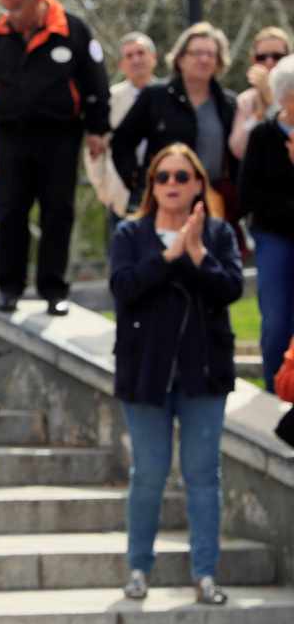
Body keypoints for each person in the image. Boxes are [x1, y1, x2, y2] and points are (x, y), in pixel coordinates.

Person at [110, 143, 241, 606]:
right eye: (163, 177)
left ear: (198, 184)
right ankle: (138, 570)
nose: (171, 185)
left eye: (182, 177)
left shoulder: (220, 234)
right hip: (145, 376)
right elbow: (123, 288)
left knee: (203, 474)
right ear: (152, 186)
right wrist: (168, 258)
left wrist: (199, 252)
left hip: (203, 374)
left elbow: (231, 289)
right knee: (148, 473)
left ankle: (205, 574)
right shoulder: (130, 234)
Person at [0, 0, 110, 315]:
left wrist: (97, 129)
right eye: (6, 8)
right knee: (10, 210)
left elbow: (96, 84)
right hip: (11, 136)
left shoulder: (72, 31)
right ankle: (9, 289)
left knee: (58, 211)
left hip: (61, 136)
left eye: (17, 7)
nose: (11, 15)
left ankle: (54, 289)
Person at [113, 22, 240, 241]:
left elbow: (236, 157)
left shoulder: (228, 103)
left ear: (219, 60)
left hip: (211, 204)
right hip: (161, 202)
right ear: (180, 58)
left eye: (211, 54)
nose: (204, 59)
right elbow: (122, 142)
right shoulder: (155, 96)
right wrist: (139, 181)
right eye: (197, 53)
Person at [238, 54, 294, 391]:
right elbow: (249, 196)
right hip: (274, 237)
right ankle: (277, 390)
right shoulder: (263, 136)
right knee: (276, 321)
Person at [87, 32, 158, 221]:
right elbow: (94, 152)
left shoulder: (169, 96)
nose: (136, 60)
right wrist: (105, 192)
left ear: (154, 58)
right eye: (129, 56)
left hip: (166, 192)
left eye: (141, 53)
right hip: (122, 198)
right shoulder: (108, 101)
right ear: (121, 65)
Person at [229, 26, 290, 161]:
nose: (269, 62)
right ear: (253, 60)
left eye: (277, 56)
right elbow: (238, 149)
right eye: (261, 57)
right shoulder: (246, 99)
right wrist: (258, 115)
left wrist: (271, 101)